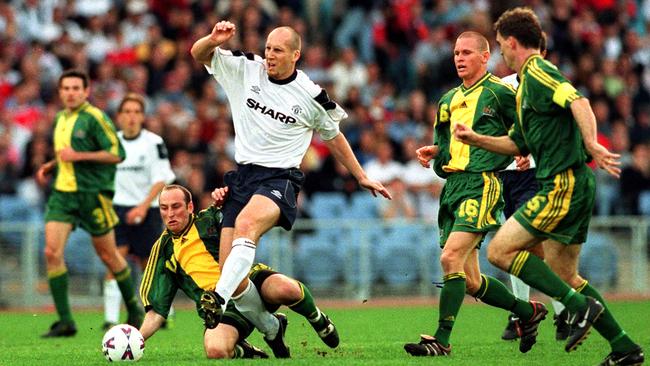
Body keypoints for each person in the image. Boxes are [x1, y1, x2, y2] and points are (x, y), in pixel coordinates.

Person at [454, 8, 644, 365]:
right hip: (574, 185)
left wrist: (591, 142)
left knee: (498, 252)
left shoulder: (538, 72)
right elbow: (516, 145)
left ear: (512, 42)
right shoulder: (526, 86)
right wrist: (475, 139)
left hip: (562, 185)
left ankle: (576, 308)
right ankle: (624, 348)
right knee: (566, 274)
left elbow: (579, 101)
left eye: (499, 46)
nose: (500, 54)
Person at [189, 19, 391, 347]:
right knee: (234, 276)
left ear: (295, 55)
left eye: (277, 50)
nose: (269, 55)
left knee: (246, 225)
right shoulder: (246, 68)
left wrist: (361, 175)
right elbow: (198, 54)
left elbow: (334, 136)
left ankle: (217, 299)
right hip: (243, 177)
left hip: (279, 178)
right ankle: (272, 327)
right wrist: (212, 39)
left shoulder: (311, 95)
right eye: (268, 48)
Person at [403, 31, 547, 358]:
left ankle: (440, 340)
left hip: (482, 184)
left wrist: (523, 151)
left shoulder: (499, 93)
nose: (459, 58)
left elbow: (527, 131)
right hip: (453, 188)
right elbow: (449, 145)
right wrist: (435, 151)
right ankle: (529, 312)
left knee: (449, 258)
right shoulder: (447, 100)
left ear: (485, 57)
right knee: (469, 280)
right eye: (456, 53)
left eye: (467, 52)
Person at [139, 184, 340, 359]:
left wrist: (227, 196)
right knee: (215, 351)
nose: (170, 214)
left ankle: (317, 319)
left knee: (286, 289)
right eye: (164, 208)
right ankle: (250, 348)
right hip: (219, 309)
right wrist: (137, 340)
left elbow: (245, 213)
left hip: (247, 280)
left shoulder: (209, 219)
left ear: (190, 207)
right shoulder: (163, 250)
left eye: (176, 207)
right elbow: (157, 310)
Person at [36, 69, 144, 337]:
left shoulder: (95, 117)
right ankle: (65, 321)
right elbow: (67, 155)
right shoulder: (61, 117)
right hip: (63, 194)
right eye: (66, 88)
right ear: (60, 92)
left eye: (76, 88)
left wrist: (78, 156)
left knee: (108, 255)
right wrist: (53, 164)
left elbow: (116, 154)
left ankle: (133, 307)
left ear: (86, 92)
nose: (71, 93)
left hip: (92, 194)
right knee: (51, 252)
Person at [498, 35, 570, 342]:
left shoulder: (553, 83)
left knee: (529, 243)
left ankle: (548, 310)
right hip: (507, 176)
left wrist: (533, 153)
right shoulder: (502, 85)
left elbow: (564, 129)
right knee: (516, 246)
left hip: (539, 175)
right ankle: (548, 309)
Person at [102, 93, 176, 330]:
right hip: (118, 208)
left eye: (136, 112)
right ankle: (111, 319)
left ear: (142, 116)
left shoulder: (153, 142)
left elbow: (162, 179)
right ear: (119, 117)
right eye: (127, 112)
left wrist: (143, 207)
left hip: (148, 208)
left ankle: (163, 313)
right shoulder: (110, 142)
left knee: (150, 265)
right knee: (115, 261)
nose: (132, 117)